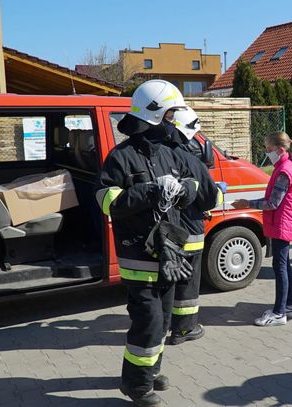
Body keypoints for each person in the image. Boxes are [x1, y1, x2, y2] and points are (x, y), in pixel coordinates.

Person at [95, 80, 203, 407]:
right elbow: (106, 199)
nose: (175, 120)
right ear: (154, 114)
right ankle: (136, 385)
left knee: (165, 318)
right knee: (149, 322)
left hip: (168, 253)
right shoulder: (121, 157)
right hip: (139, 257)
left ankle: (152, 370)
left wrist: (185, 188)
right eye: (172, 114)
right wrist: (151, 191)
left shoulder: (170, 152)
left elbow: (198, 186)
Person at [231, 131, 292, 326]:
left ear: (280, 149)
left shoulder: (284, 171)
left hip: (281, 223)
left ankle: (280, 313)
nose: (266, 152)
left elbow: (272, 203)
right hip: (281, 222)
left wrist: (247, 203)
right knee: (285, 266)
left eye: (269, 149)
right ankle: (289, 306)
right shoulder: (283, 166)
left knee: (280, 268)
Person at [166, 107, 224, 345]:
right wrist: (219, 192)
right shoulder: (190, 160)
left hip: (163, 233)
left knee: (167, 280)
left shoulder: (155, 154)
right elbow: (211, 198)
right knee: (188, 282)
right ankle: (184, 329)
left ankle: (163, 323)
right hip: (188, 231)